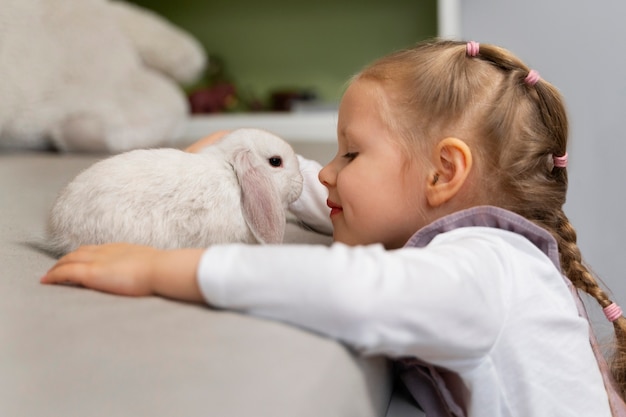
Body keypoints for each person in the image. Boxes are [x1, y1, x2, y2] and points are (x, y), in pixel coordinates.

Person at [41, 39, 626, 416]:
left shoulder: (487, 267)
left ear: (444, 172)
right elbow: (332, 199)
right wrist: (224, 161)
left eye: (351, 154)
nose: (328, 171)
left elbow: (354, 286)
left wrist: (164, 268)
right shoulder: (460, 242)